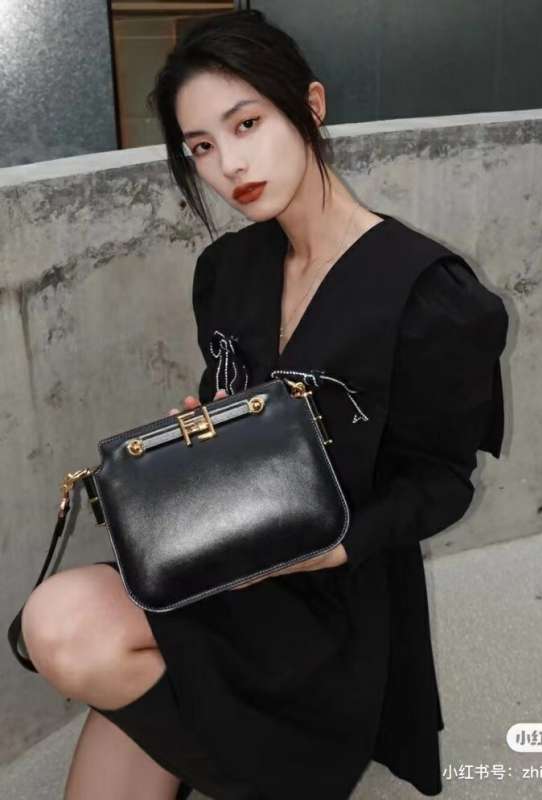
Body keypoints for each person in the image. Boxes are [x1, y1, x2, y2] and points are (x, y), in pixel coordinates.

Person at [18, 9, 509, 800]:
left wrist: (334, 548)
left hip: (331, 597)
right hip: (220, 559)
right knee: (60, 626)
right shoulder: (228, 269)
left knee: (76, 636)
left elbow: (443, 482)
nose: (229, 165)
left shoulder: (429, 296)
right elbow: (238, 417)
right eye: (201, 147)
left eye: (246, 124)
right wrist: (202, 438)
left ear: (309, 105)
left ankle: (276, 759)